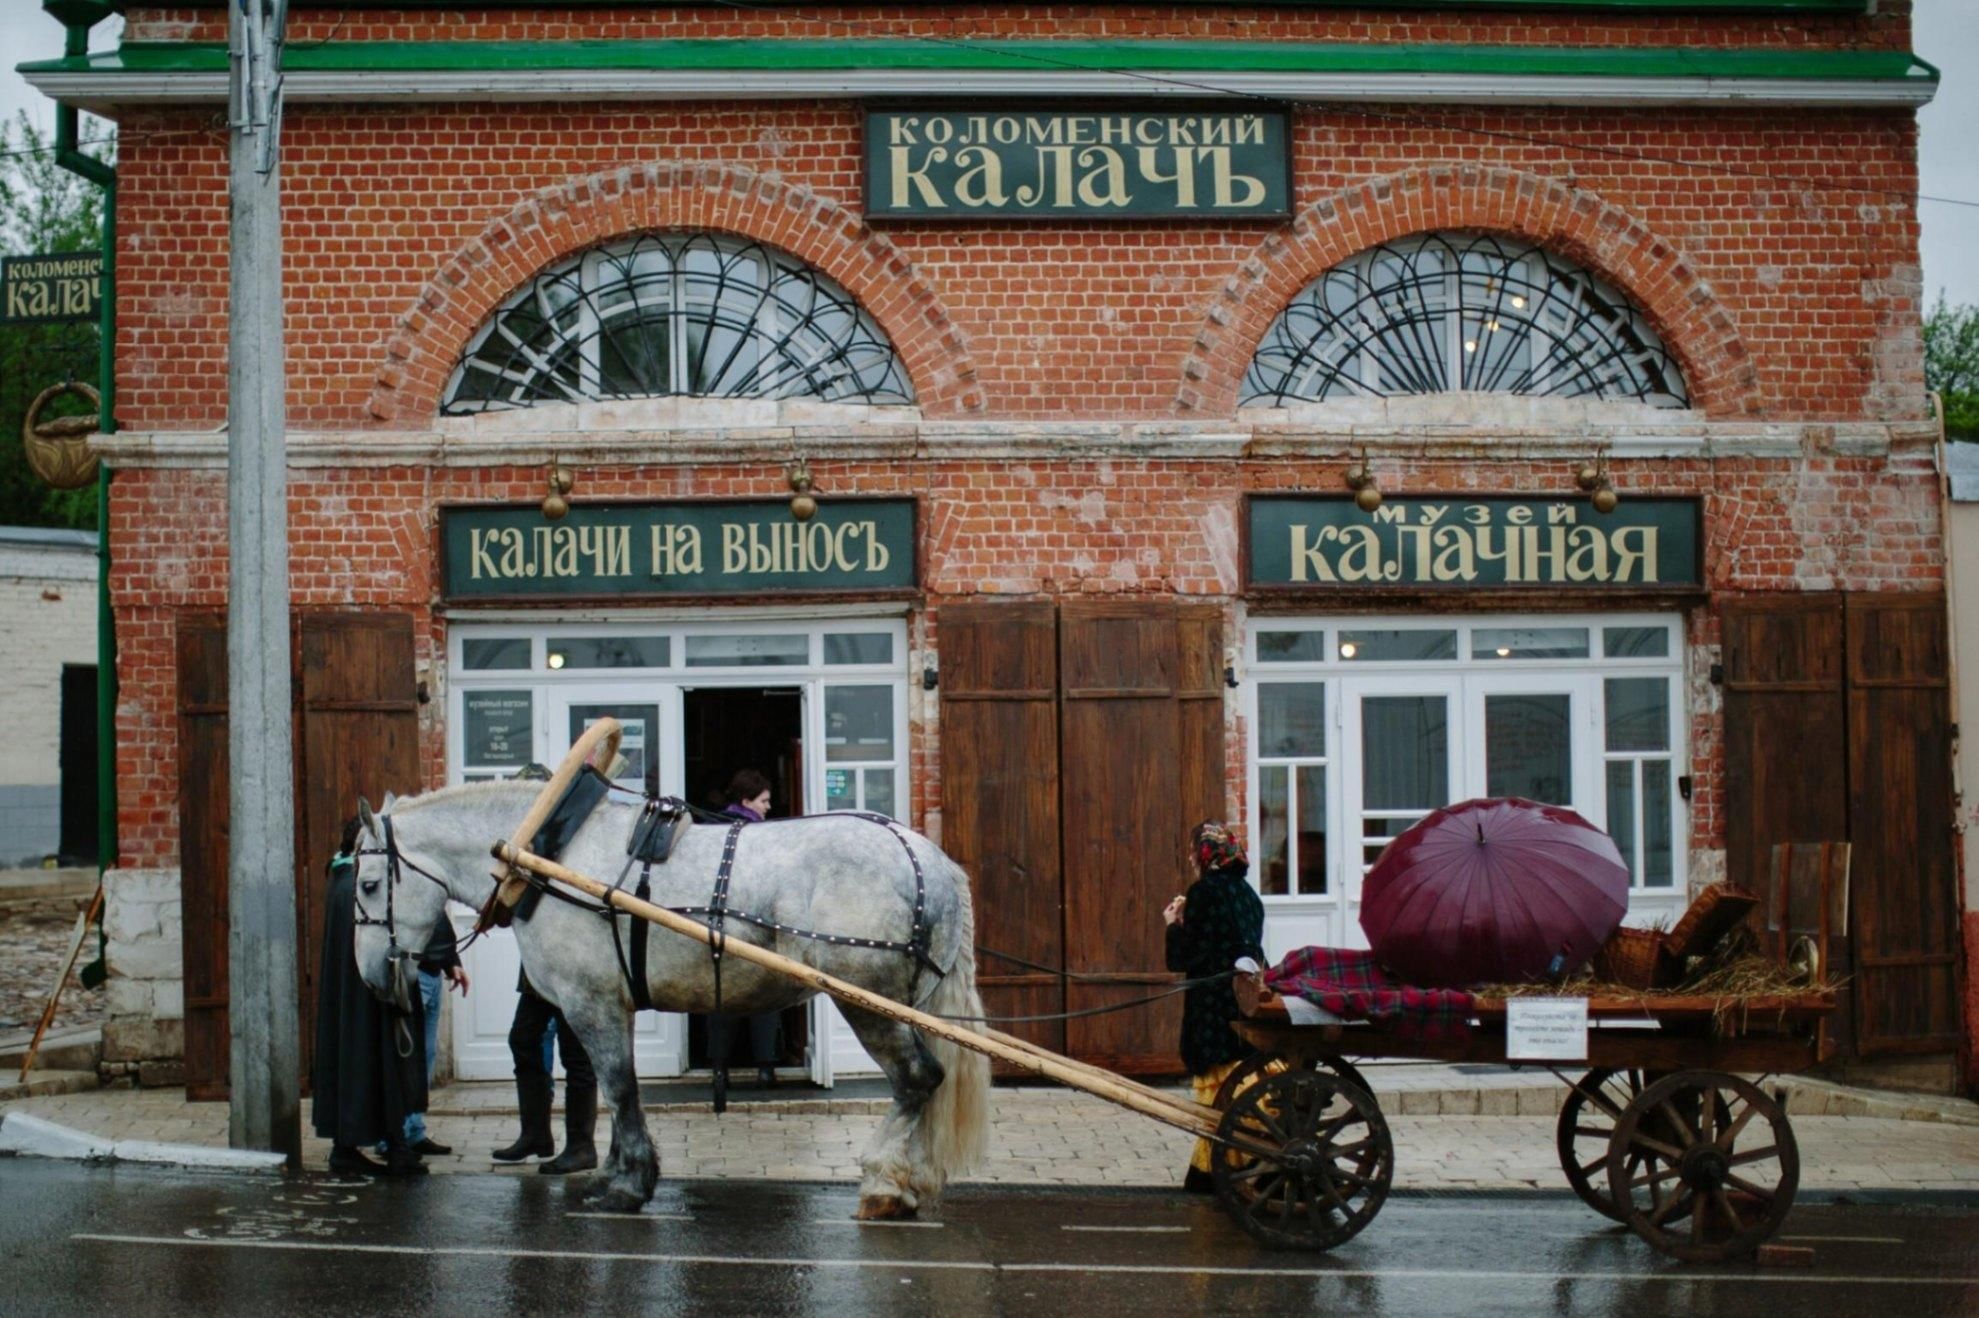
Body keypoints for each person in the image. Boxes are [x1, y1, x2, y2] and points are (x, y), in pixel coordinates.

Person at [312, 818, 429, 1177]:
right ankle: (391, 1146)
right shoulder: (359, 885)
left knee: (355, 1066)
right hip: (371, 997)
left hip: (353, 997)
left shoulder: (340, 880)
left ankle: (355, 1147)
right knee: (382, 1069)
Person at [1163, 819, 1265, 1193]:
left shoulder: (1205, 892)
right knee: (1228, 1091)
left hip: (1214, 1009)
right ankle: (1209, 1170)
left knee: (1217, 1092)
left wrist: (1174, 923)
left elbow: (1186, 956)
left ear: (1206, 855)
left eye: (1194, 851)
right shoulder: (1248, 894)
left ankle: (1214, 1172)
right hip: (1245, 1003)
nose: (1192, 858)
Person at [707, 768, 781, 1091]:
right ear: (746, 800)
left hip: (720, 924)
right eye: (763, 801)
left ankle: (719, 1069)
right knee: (767, 995)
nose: (768, 808)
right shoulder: (759, 837)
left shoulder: (710, 830)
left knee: (721, 996)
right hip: (755, 924)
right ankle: (766, 1068)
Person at [491, 973, 599, 1175]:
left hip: (571, 971)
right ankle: (535, 1136)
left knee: (576, 1054)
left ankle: (581, 1147)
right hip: (540, 970)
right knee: (523, 1039)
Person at [379, 922, 469, 1159]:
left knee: (424, 1056)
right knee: (405, 1056)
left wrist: (451, 963)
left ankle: (413, 1131)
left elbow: (438, 923)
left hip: (432, 973)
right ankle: (394, 1135)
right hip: (413, 972)